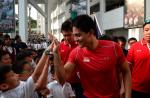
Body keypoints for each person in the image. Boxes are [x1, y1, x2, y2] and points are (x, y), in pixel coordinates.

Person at [51, 14, 131, 98]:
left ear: (91, 32)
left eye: (78, 35)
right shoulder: (76, 53)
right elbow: (62, 79)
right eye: (74, 35)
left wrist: (128, 95)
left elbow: (126, 71)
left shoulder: (113, 47)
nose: (75, 39)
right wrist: (56, 54)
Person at [58, 19, 84, 98]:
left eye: (69, 35)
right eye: (64, 35)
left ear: (73, 32)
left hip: (79, 83)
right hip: (64, 82)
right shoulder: (59, 46)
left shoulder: (81, 46)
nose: (66, 38)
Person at [127, 20, 150, 98]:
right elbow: (127, 70)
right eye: (146, 30)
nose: (149, 32)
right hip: (137, 90)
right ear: (143, 32)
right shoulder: (134, 47)